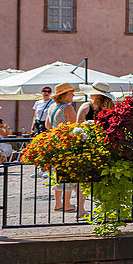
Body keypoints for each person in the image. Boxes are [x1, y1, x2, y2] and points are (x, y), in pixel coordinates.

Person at [47, 83, 84, 214]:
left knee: (57, 174)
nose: (73, 94)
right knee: (68, 174)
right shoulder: (68, 108)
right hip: (67, 144)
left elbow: (47, 125)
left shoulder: (52, 107)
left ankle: (58, 203)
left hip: (55, 144)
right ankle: (67, 204)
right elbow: (74, 127)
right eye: (70, 93)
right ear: (64, 95)